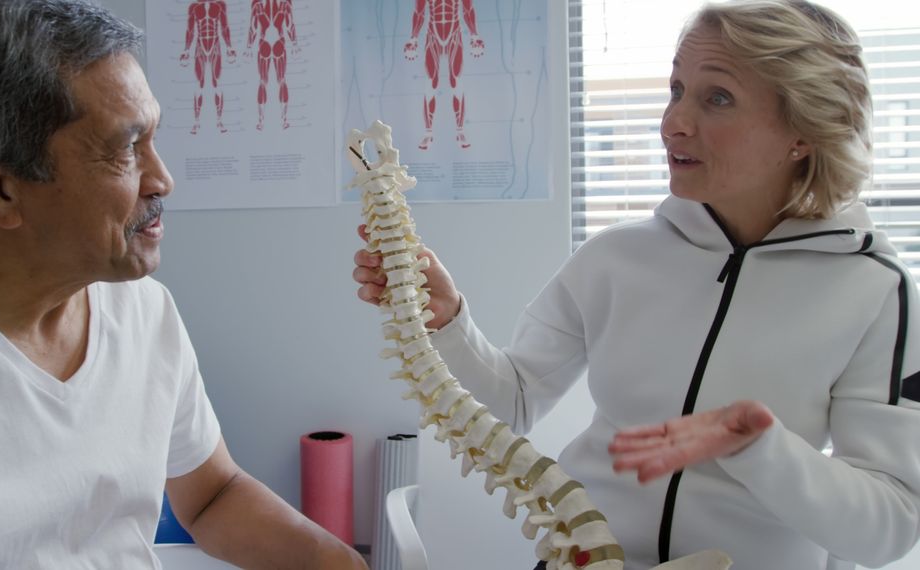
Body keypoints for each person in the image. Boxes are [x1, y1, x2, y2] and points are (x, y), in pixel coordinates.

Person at [353, 1, 920, 568]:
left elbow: (888, 530)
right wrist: (448, 320)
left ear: (803, 131)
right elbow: (512, 404)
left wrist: (759, 448)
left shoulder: (875, 293)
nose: (673, 121)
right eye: (676, 88)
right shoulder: (614, 258)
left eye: (716, 97)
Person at [0, 1, 366, 569]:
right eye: (125, 148)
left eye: (154, 140)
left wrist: (331, 561)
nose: (163, 178)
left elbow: (212, 494)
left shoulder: (143, 311)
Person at [404, 0, 485, 150]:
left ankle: (460, 131)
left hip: (454, 33)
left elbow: (468, 9)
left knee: (456, 82)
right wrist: (413, 38)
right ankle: (428, 133)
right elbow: (419, 12)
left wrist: (474, 35)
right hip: (432, 35)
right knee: (431, 84)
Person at [180, 0, 235, 135]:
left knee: (217, 83)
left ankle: (219, 120)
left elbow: (224, 27)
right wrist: (186, 50)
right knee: (200, 84)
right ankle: (197, 122)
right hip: (200, 45)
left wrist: (229, 47)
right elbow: (190, 30)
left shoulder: (219, 5)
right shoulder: (194, 7)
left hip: (215, 44)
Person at [245, 0, 298, 131]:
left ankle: (269, 120)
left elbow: (253, 27)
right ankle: (274, 119)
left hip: (268, 44)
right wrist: (294, 44)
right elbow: (289, 24)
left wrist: (249, 47)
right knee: (274, 81)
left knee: (272, 81)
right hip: (272, 44)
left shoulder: (259, 4)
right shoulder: (281, 3)